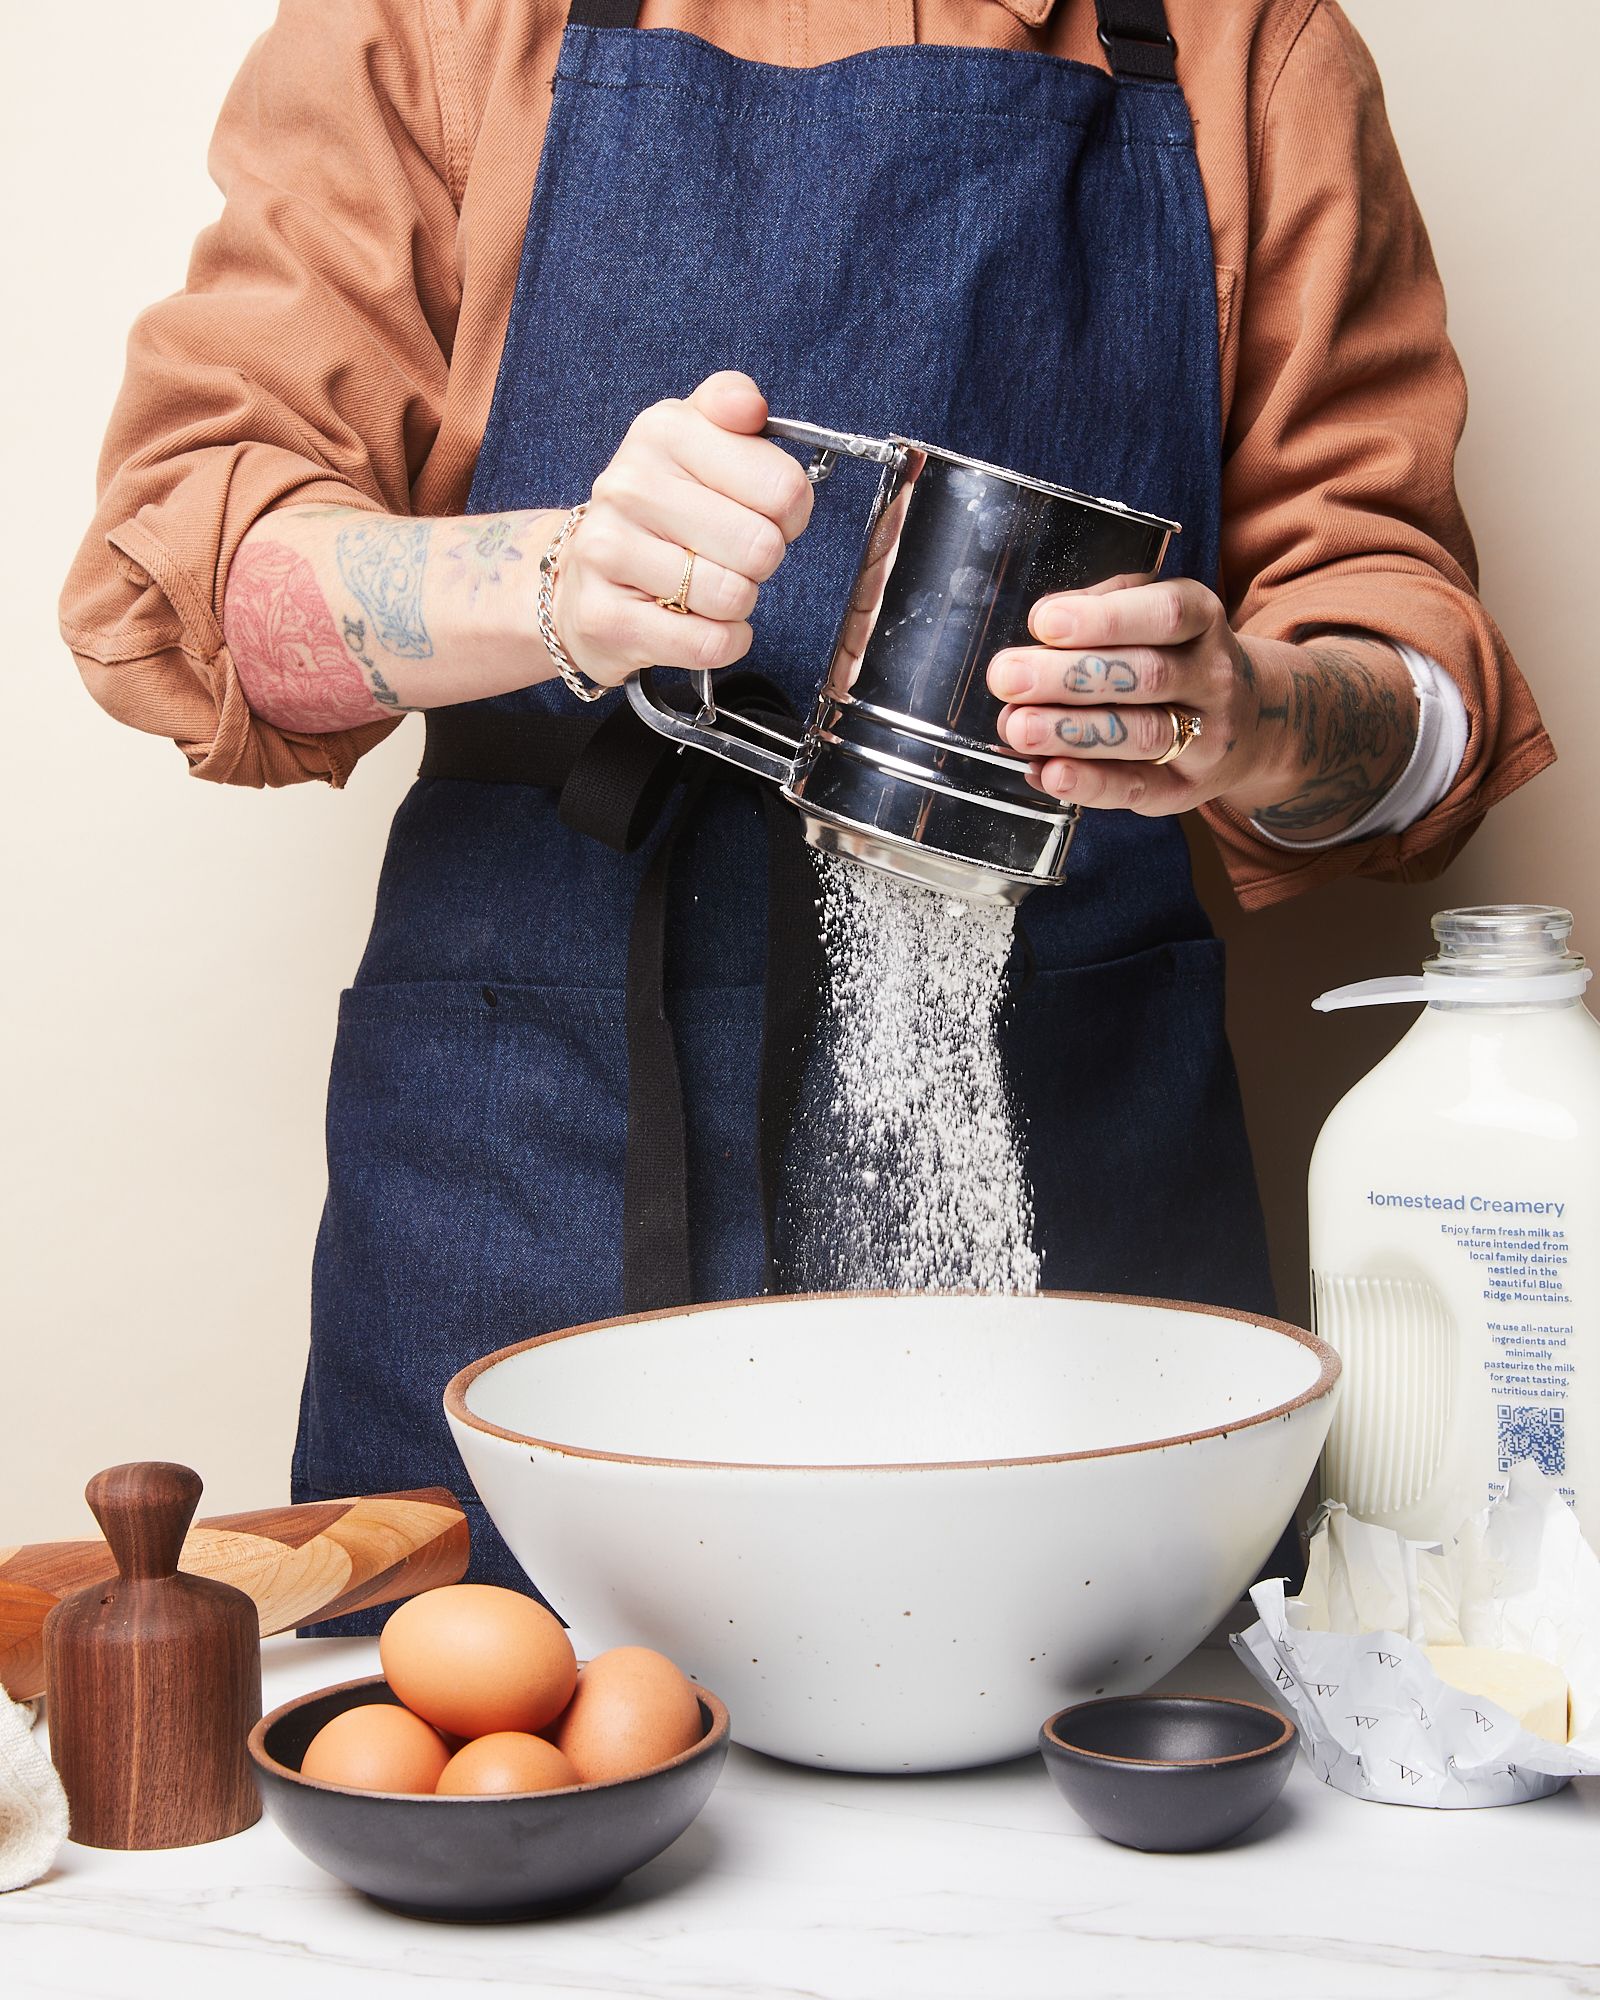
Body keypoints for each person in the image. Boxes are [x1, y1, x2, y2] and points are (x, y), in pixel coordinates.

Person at [61, 0, 1552, 1621]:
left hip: (1067, 1123)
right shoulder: (439, 23)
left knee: (1089, 1792)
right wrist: (555, 578)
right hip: (530, 1132)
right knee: (485, 1752)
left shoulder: (1243, 46)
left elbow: (1423, 689)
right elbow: (195, 583)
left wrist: (1258, 716)